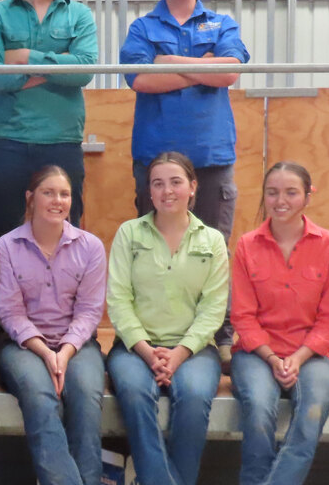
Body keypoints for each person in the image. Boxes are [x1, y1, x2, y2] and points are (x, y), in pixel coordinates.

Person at [119, 0, 250, 366]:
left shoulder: (221, 22)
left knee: (215, 250)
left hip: (211, 157)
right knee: (150, 251)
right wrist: (202, 67)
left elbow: (230, 71)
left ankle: (220, 336)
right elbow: (139, 78)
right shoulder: (142, 28)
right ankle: (148, 337)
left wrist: (169, 63)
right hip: (154, 159)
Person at [105, 151, 228, 485]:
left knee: (193, 398)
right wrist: (147, 351)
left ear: (193, 187)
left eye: (176, 182)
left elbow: (213, 308)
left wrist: (179, 354)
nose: (167, 191)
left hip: (194, 350)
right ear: (149, 191)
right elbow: (118, 301)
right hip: (134, 348)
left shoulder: (213, 241)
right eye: (158, 184)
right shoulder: (129, 234)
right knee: (134, 393)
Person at [0, 0, 97, 240]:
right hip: (6, 142)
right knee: (1, 238)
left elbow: (84, 71)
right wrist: (58, 64)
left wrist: (26, 57)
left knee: (67, 236)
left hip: (62, 141)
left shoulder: (80, 15)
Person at [229, 162, 329, 485]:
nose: (281, 200)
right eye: (272, 192)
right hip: (256, 354)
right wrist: (271, 357)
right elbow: (242, 315)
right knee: (258, 410)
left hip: (312, 355)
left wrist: (298, 358)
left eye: (291, 192)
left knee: (311, 413)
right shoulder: (246, 245)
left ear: (308, 196)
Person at [0, 166, 106, 485]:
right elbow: (11, 313)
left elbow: (88, 312)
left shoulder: (91, 247)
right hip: (23, 346)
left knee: (85, 395)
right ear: (30, 198)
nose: (57, 200)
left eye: (64, 194)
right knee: (40, 396)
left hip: (77, 345)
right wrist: (45, 352)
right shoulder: (5, 247)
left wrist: (65, 353)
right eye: (48, 193)